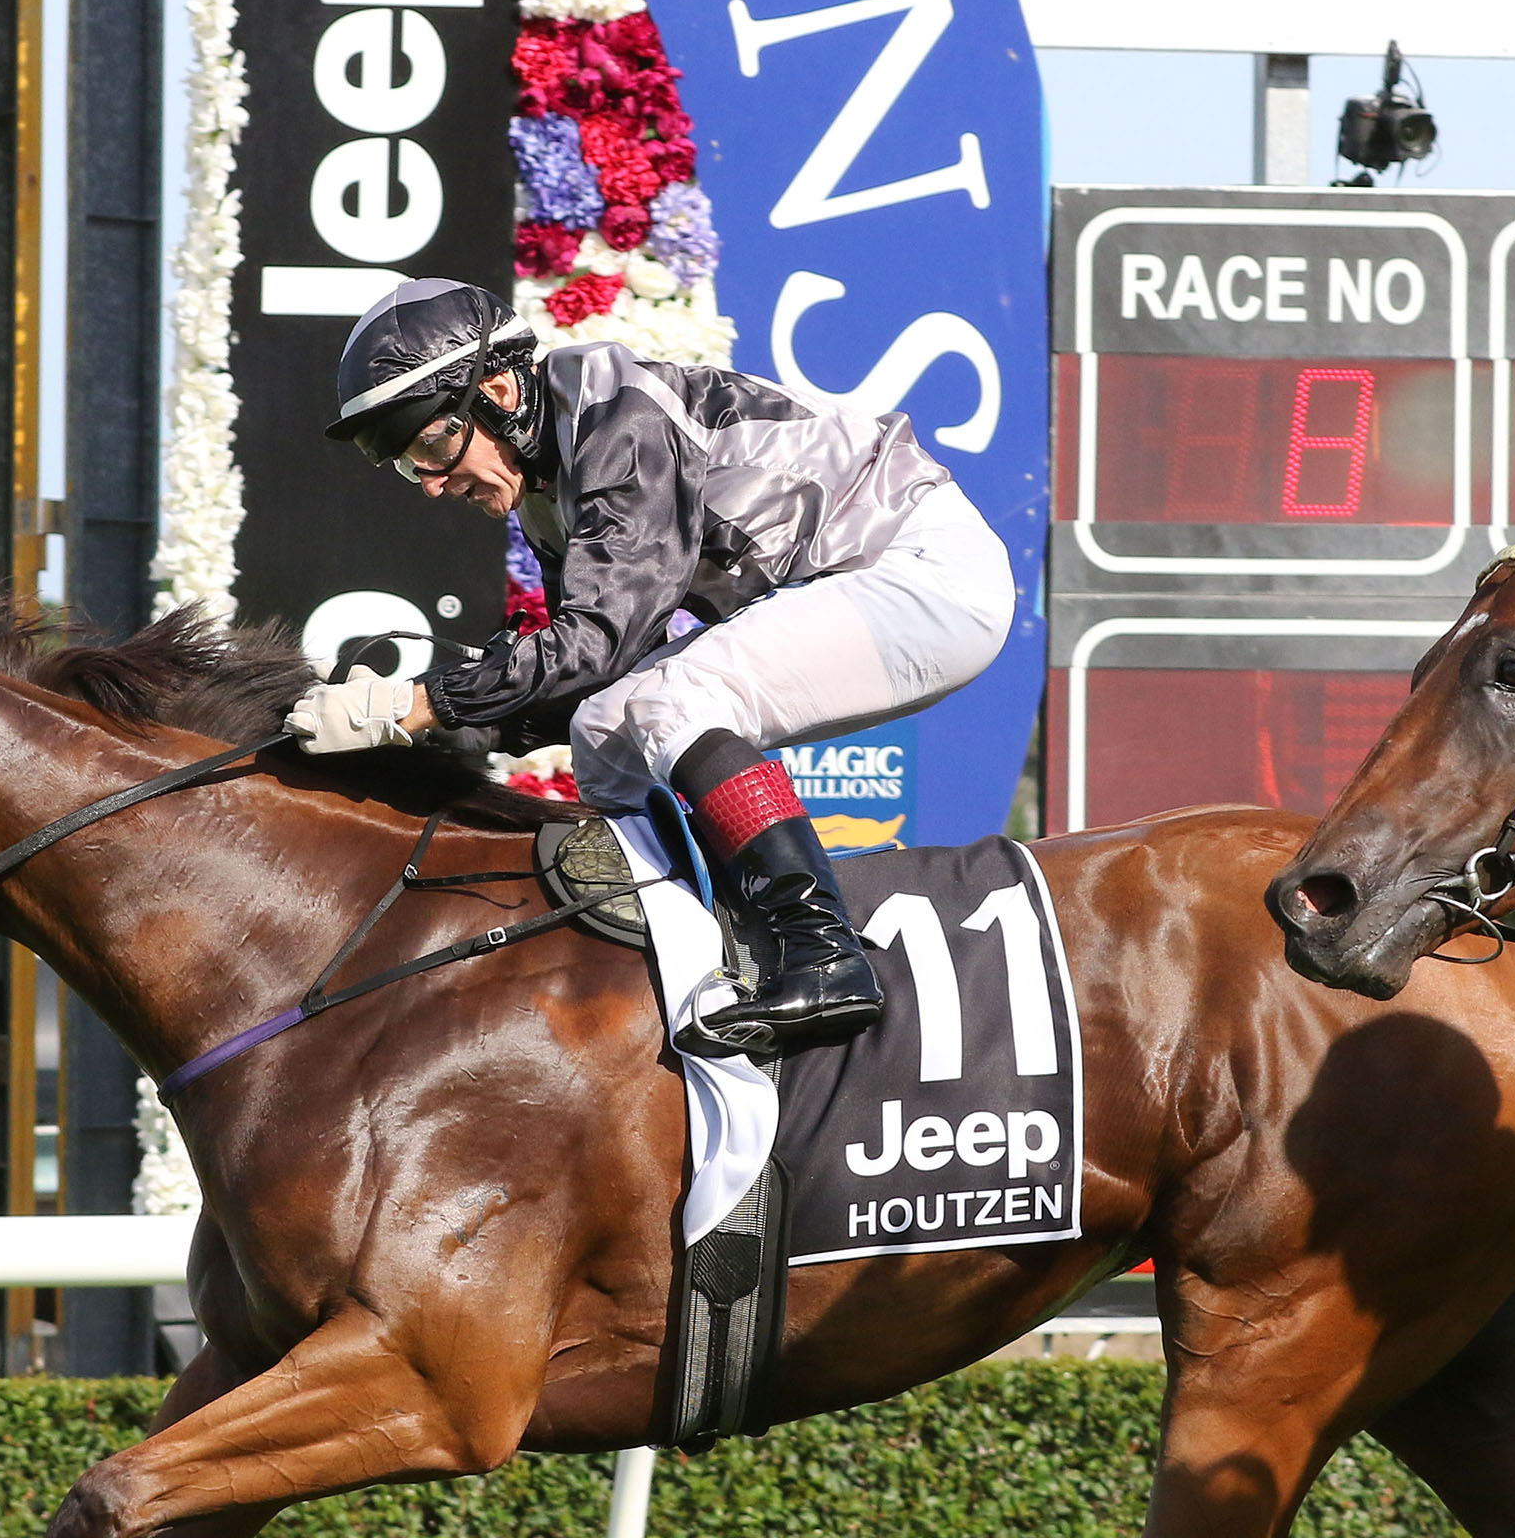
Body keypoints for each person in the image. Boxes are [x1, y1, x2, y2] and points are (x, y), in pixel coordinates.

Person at [288, 278, 1015, 1061]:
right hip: (859, 580)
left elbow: (597, 640)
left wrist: (417, 704)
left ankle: (822, 953)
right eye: (410, 467)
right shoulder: (547, 481)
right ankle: (699, 952)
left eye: (431, 446)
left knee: (674, 700)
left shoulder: (618, 420)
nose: (432, 483)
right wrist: (446, 730)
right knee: (606, 731)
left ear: (497, 392)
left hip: (920, 571)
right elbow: (596, 681)